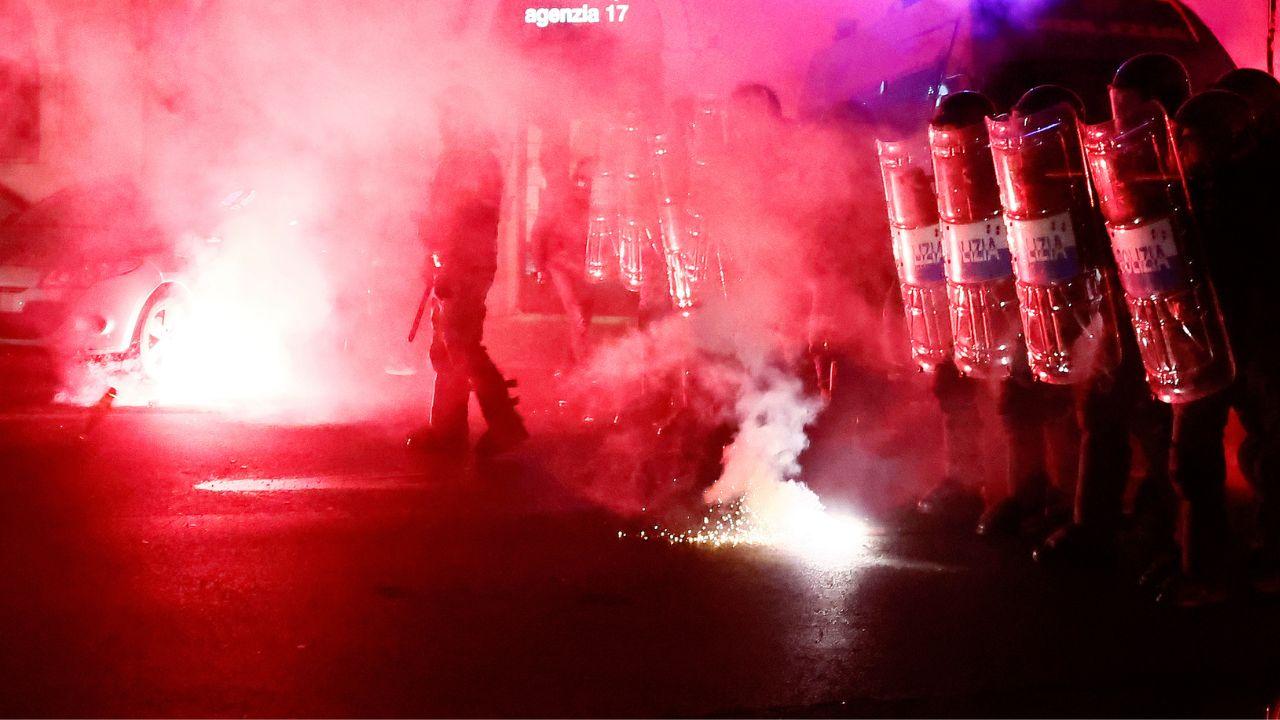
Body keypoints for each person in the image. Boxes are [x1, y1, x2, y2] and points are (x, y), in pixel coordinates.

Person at [1019, 82, 1176, 569]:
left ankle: (1161, 528)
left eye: (1127, 106)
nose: (1118, 118)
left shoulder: (1172, 163)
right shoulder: (1101, 163)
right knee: (1103, 415)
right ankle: (1097, 522)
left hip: (1164, 314)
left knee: (1157, 425)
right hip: (1120, 307)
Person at [410, 86, 528, 457]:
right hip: (462, 263)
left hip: (463, 265)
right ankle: (448, 431)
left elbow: (458, 217)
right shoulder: (471, 159)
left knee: (461, 346)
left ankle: (506, 429)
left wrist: (440, 252)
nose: (441, 124)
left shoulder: (468, 162)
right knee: (449, 347)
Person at [531, 151, 595, 365]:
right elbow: (539, 232)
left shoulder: (598, 206)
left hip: (585, 269)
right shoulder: (560, 199)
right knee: (576, 314)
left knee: (583, 318)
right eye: (581, 179)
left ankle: (570, 366)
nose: (584, 186)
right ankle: (584, 369)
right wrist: (540, 267)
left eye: (590, 181)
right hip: (561, 266)